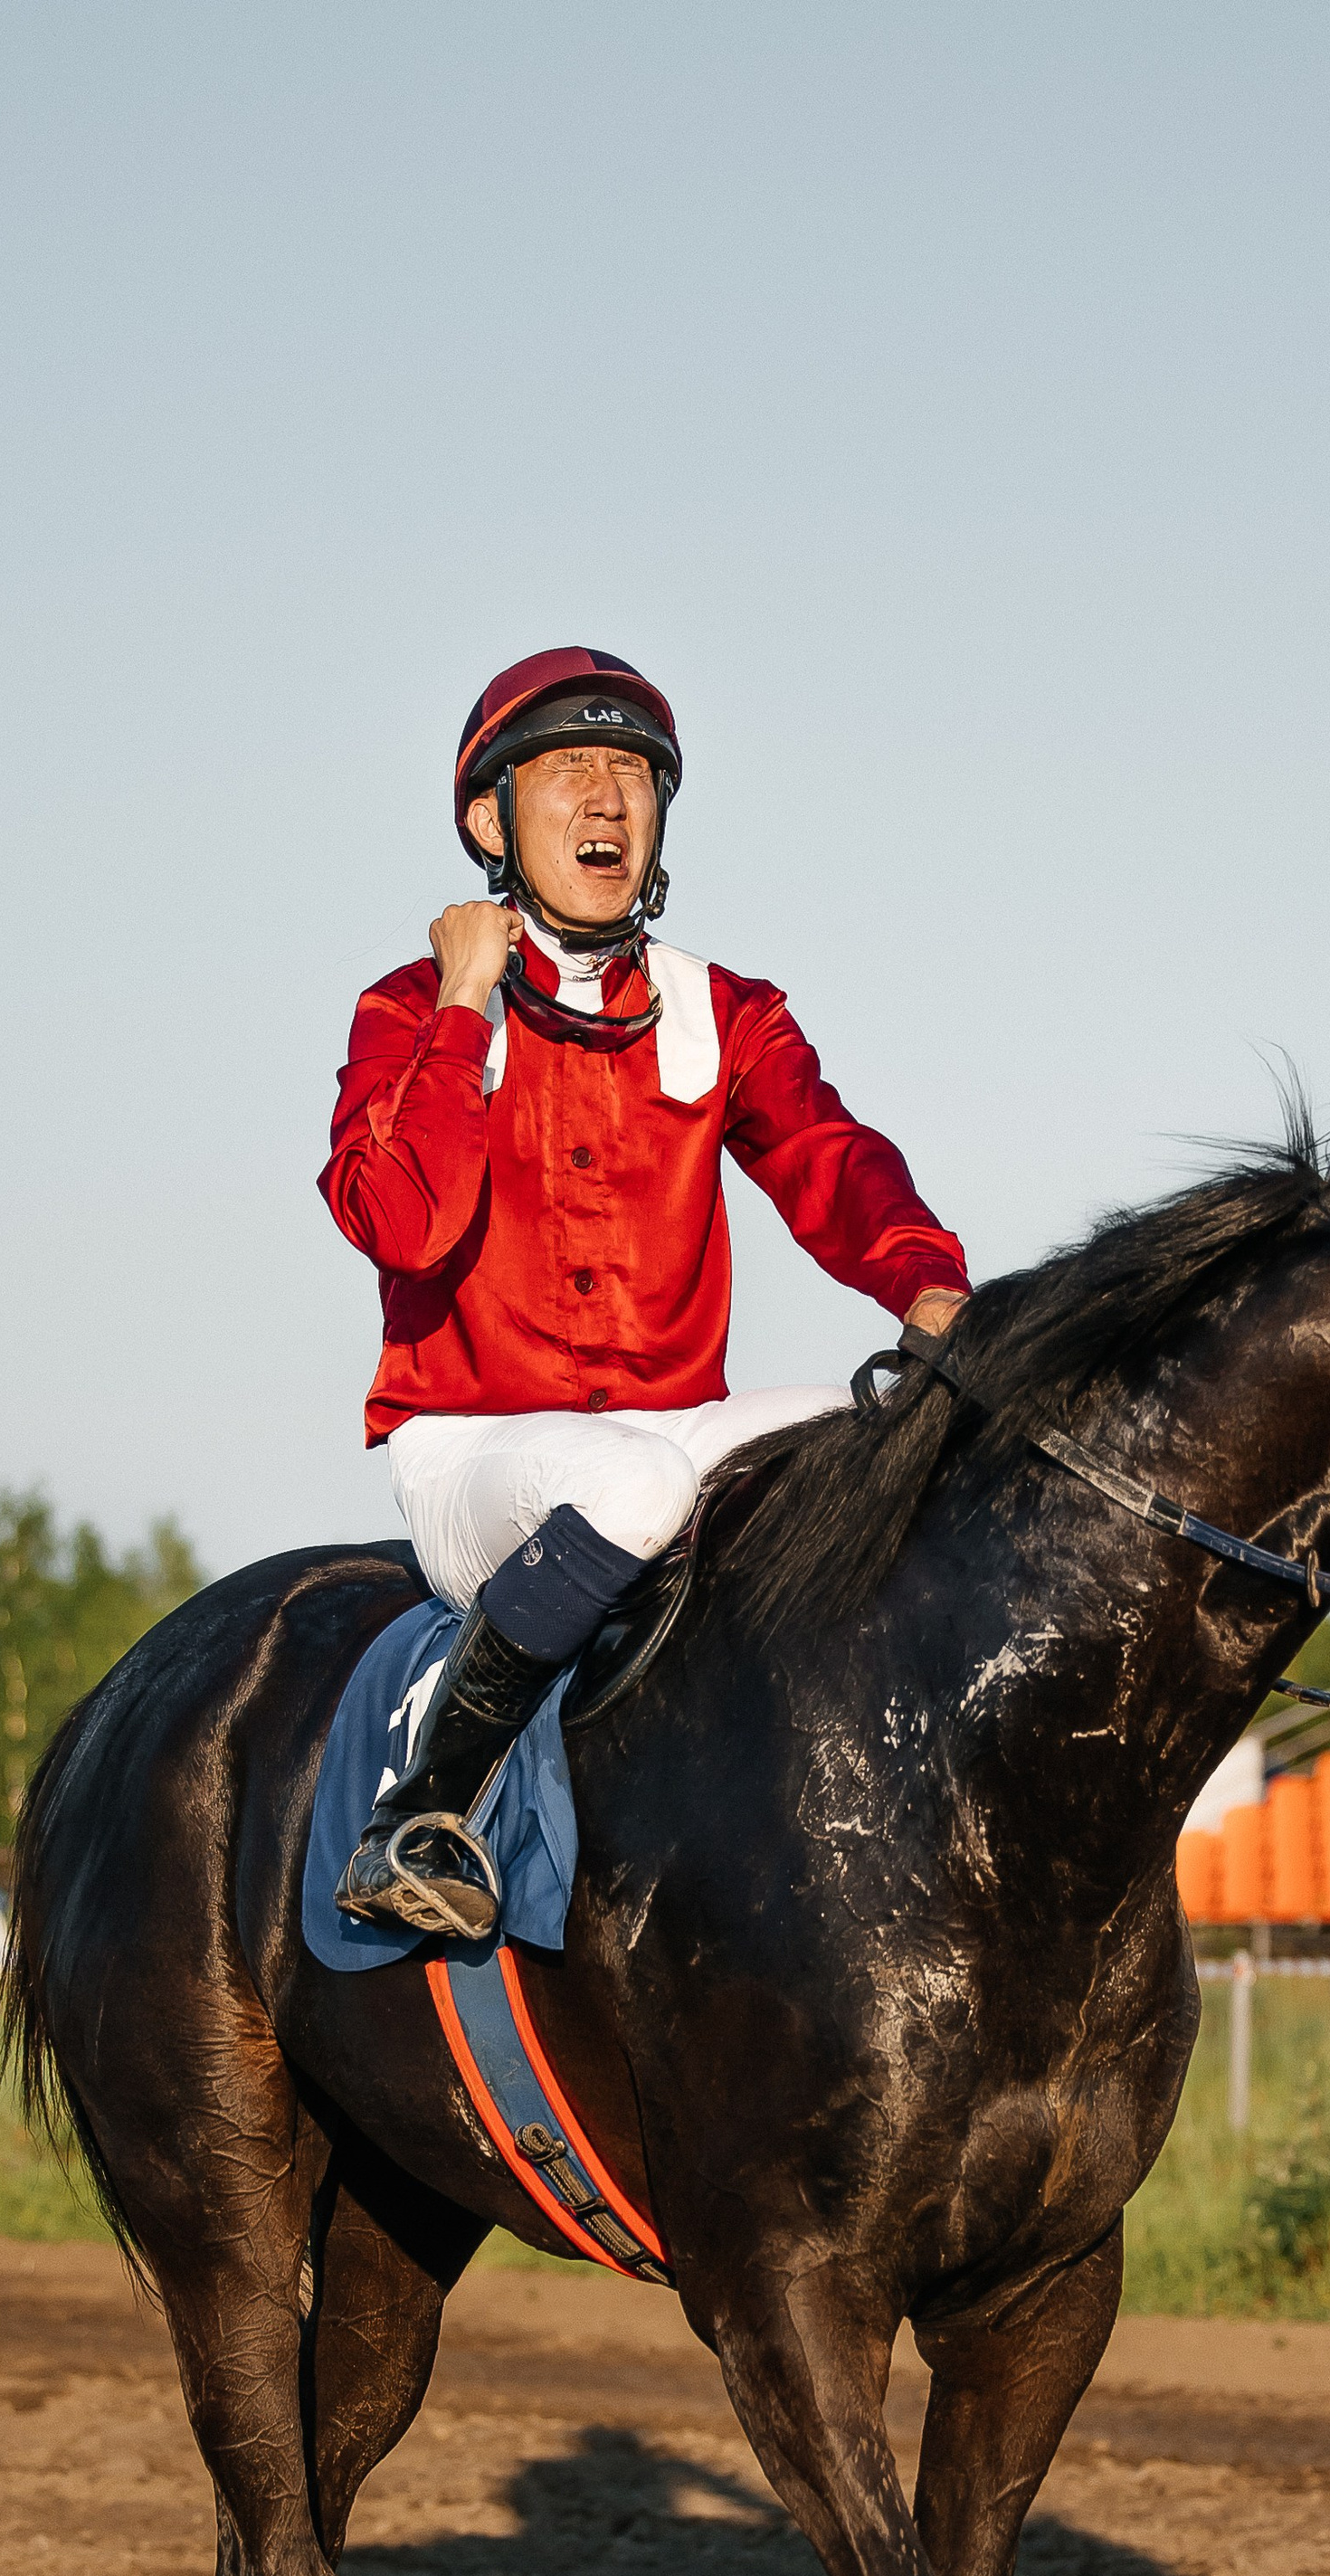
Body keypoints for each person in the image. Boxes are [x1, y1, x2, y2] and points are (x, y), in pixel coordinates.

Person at [320, 647, 970, 1935]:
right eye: (569, 770)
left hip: (672, 1431)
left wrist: (930, 1282)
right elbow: (403, 1223)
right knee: (635, 1488)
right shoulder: (406, 1011)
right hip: (471, 1452)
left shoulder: (727, 1011)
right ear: (489, 822)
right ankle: (419, 1816)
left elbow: (829, 1158)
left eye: (632, 773)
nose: (608, 799)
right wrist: (466, 999)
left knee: (899, 1437)